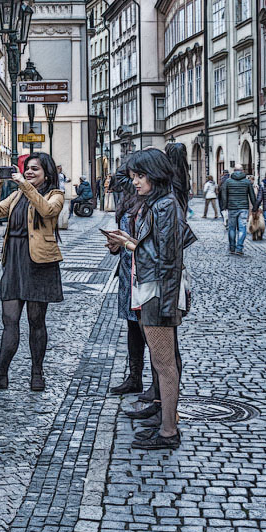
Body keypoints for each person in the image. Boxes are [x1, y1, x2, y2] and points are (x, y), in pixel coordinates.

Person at [105, 149, 196, 451]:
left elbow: (169, 259)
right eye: (133, 177)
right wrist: (127, 242)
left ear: (155, 175)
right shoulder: (156, 203)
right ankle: (165, 424)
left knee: (164, 363)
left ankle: (169, 431)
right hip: (152, 288)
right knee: (162, 363)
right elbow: (155, 249)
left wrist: (168, 304)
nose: (135, 182)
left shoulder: (165, 205)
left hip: (159, 291)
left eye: (140, 176)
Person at [0, 152, 64, 392]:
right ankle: (0, 374)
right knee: (9, 320)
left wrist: (26, 186)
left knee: (36, 321)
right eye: (28, 169)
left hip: (39, 262)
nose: (30, 172)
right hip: (14, 259)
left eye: (35, 169)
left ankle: (37, 374)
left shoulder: (55, 195)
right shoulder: (17, 194)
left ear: (47, 173)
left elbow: (47, 211)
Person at [106, 162, 146, 395]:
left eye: (136, 176)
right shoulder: (127, 203)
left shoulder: (153, 205)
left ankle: (158, 387)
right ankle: (135, 377)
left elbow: (150, 246)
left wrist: (126, 243)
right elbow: (126, 241)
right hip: (127, 272)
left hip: (142, 274)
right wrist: (115, 246)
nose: (131, 182)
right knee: (132, 327)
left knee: (148, 329)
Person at [218, 165, 255, 256]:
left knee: (232, 228)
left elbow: (224, 195)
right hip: (243, 208)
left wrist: (224, 206)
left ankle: (232, 247)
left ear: (234, 171)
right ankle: (239, 248)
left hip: (232, 208)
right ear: (242, 171)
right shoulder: (247, 182)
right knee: (242, 228)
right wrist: (255, 207)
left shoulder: (228, 181)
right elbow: (252, 195)